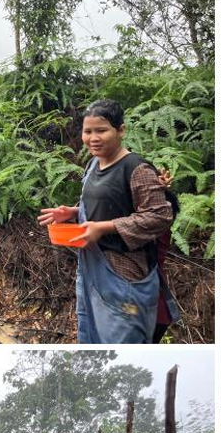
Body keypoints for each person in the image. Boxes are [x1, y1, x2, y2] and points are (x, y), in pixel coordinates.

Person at [37, 99, 180, 344]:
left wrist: (102, 228)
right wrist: (72, 212)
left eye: (101, 130)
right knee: (93, 337)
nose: (93, 138)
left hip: (125, 278)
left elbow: (159, 216)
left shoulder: (136, 169)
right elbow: (103, 206)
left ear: (120, 130)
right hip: (91, 271)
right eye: (88, 131)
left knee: (123, 343)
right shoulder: (92, 165)